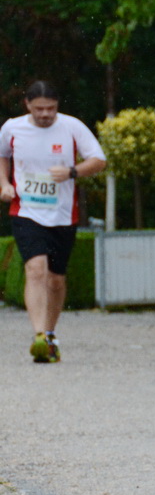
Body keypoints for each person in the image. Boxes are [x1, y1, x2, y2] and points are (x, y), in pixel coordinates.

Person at [0, 82, 108, 364]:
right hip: (26, 211)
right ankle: (38, 335)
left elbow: (98, 160)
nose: (45, 114)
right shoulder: (12, 128)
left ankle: (50, 333)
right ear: (27, 105)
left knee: (56, 279)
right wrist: (4, 183)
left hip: (62, 214)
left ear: (58, 105)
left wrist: (72, 171)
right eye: (39, 109)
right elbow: (3, 156)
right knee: (36, 269)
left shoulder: (72, 127)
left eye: (51, 109)